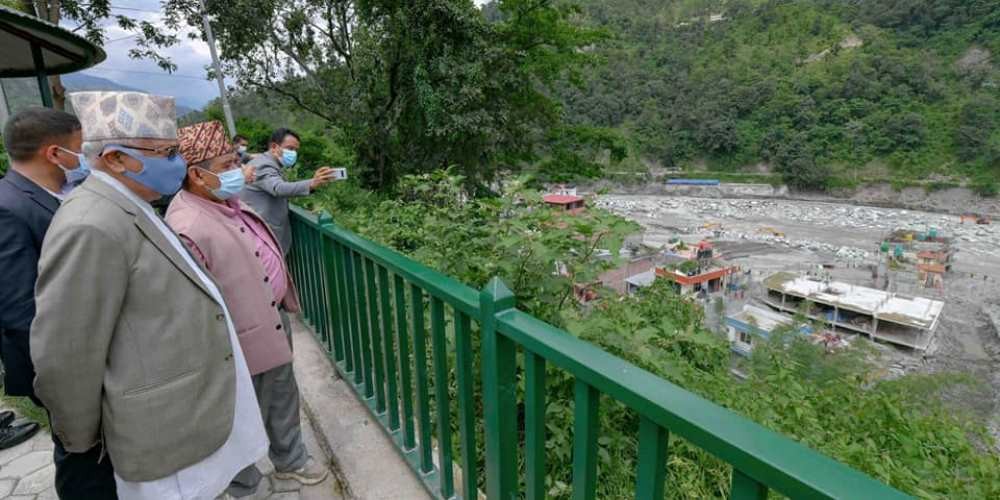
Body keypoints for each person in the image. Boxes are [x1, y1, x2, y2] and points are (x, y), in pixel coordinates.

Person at [31, 91, 267, 499]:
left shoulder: (135, 203)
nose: (177, 163)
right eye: (166, 152)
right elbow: (65, 354)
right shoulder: (91, 225)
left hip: (191, 415)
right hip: (160, 430)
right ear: (116, 159)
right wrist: (85, 442)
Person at [165, 121, 329, 499]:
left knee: (281, 392)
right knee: (239, 410)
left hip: (268, 317)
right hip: (235, 336)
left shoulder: (224, 202)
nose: (239, 170)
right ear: (197, 174)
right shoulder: (188, 223)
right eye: (227, 165)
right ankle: (243, 482)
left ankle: (290, 459)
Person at [0, 107, 87, 452]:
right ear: (54, 153)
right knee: (80, 453)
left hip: (84, 352)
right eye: (80, 149)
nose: (84, 158)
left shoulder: (59, 192)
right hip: (64, 368)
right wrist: (62, 377)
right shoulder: (8, 207)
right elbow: (21, 310)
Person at [242, 128, 338, 255]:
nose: (293, 153)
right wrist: (312, 183)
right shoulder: (263, 165)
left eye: (296, 150)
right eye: (290, 148)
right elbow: (278, 188)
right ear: (274, 146)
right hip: (263, 237)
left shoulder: (268, 162)